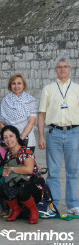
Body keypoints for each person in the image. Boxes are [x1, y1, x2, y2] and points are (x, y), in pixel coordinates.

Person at [37, 57, 79, 214]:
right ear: (55, 69)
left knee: (73, 170)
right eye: (60, 67)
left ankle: (73, 203)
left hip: (74, 132)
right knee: (53, 171)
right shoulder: (48, 89)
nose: (63, 69)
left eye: (66, 66)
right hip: (54, 132)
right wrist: (41, 136)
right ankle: (52, 204)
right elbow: (42, 114)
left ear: (70, 69)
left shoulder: (77, 88)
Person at [0, 125, 44, 224]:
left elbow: (28, 170)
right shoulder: (8, 154)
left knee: (22, 190)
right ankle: (16, 209)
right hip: (17, 182)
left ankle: (34, 211)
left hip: (33, 185)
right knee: (3, 189)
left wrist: (12, 169)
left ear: (17, 137)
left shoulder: (26, 151)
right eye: (5, 137)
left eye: (11, 136)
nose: (8, 139)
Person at [0, 74, 38, 150]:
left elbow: (32, 122)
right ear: (10, 85)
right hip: (9, 142)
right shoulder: (5, 101)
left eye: (19, 83)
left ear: (24, 85)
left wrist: (20, 138)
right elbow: (0, 121)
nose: (16, 86)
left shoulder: (31, 100)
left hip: (27, 140)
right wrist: (10, 137)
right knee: (10, 162)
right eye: (13, 83)